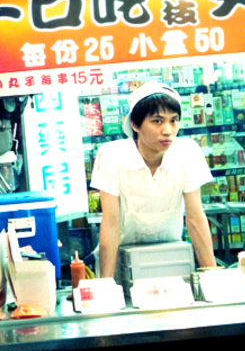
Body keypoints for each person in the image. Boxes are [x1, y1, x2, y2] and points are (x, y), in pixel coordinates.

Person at [90, 81, 215, 277]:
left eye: (174, 121)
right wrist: (107, 281)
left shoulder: (188, 151)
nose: (168, 130)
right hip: (120, 260)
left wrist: (211, 271)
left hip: (171, 257)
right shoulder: (112, 154)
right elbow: (111, 222)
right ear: (135, 124)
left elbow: (195, 218)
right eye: (157, 121)